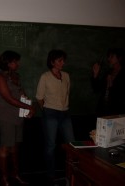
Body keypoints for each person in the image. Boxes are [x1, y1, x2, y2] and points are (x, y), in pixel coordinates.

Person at [0, 50, 35, 186]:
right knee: (5, 147)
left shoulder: (16, 76)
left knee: (15, 147)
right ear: (8, 63)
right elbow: (8, 98)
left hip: (18, 116)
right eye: (15, 61)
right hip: (6, 116)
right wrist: (29, 107)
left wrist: (27, 103)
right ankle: (4, 179)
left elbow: (21, 94)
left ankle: (15, 175)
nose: (18, 64)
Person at [35, 49, 74, 184]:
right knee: (51, 145)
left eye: (63, 60)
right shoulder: (45, 77)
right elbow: (39, 98)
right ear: (52, 62)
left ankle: (71, 173)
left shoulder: (67, 76)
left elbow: (67, 93)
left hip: (65, 113)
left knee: (71, 144)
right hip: (50, 113)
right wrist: (46, 111)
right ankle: (51, 176)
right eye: (59, 60)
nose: (62, 63)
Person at [91, 47, 125, 117]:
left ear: (119, 58)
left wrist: (111, 85)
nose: (108, 59)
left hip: (116, 113)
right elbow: (96, 88)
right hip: (102, 111)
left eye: (111, 57)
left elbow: (123, 96)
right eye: (108, 57)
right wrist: (95, 75)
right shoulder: (108, 73)